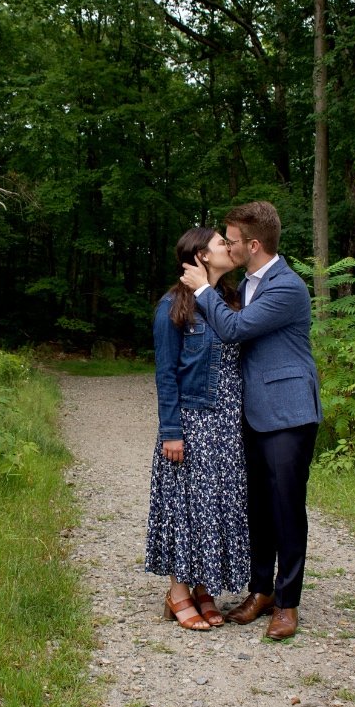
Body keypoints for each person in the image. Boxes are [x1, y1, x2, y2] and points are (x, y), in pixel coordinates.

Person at [180, 201, 322, 640]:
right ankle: (259, 590)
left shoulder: (286, 287)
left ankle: (287, 603)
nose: (228, 244)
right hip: (254, 413)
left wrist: (203, 289)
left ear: (254, 244)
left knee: (285, 508)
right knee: (257, 508)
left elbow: (236, 331)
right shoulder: (246, 283)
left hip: (289, 412)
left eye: (233, 239)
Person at [145, 227, 250, 631]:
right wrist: (171, 430)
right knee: (185, 507)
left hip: (227, 424)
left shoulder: (229, 301)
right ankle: (177, 593)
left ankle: (202, 588)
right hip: (191, 421)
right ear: (202, 256)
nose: (229, 246)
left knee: (215, 507)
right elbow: (166, 374)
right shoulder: (173, 305)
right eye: (222, 243)